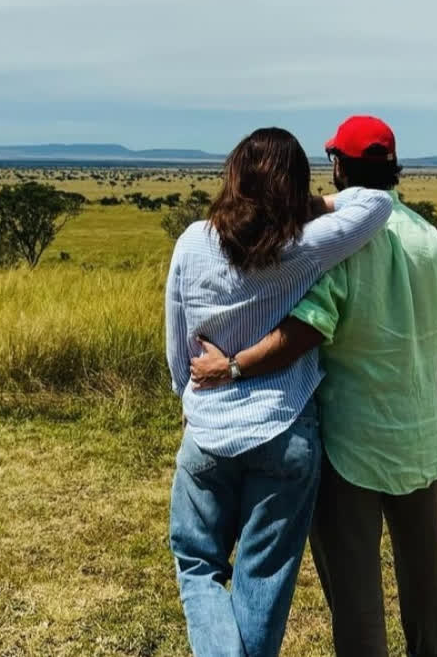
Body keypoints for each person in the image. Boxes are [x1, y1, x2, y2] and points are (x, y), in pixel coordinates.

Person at [190, 116, 437, 657]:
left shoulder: (340, 244)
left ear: (338, 166)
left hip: (349, 445)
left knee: (357, 597)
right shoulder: (431, 240)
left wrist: (234, 367)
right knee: (425, 581)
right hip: (420, 436)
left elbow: (307, 329)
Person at [165, 126, 393, 656]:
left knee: (197, 565)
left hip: (207, 430)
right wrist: (302, 204)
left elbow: (177, 343)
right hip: (284, 425)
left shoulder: (192, 241)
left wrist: (190, 401)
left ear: (232, 177)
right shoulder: (303, 247)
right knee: (262, 580)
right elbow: (376, 204)